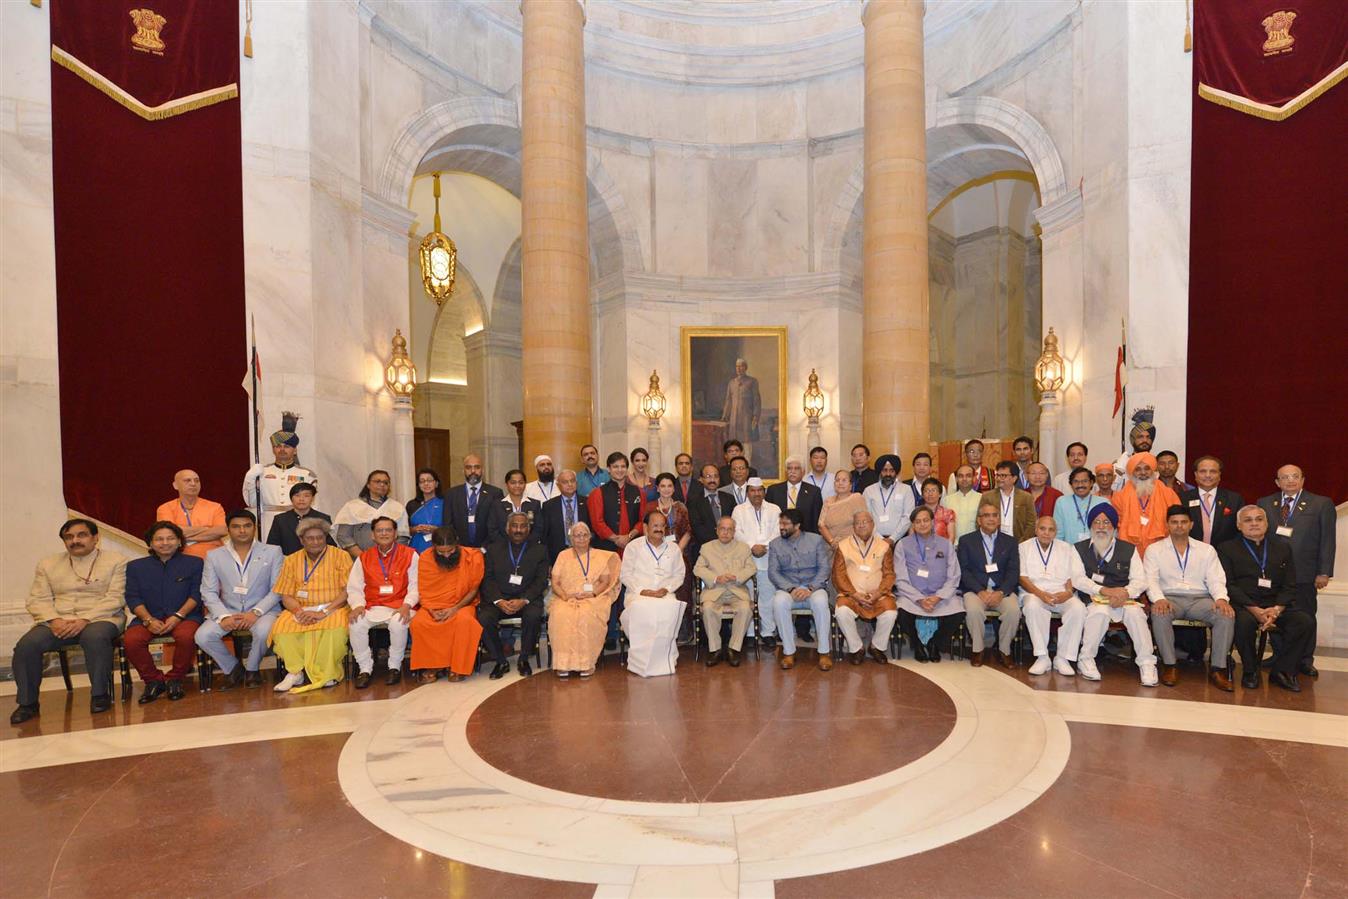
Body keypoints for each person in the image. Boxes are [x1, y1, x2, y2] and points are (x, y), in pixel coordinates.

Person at [10, 519, 127, 723]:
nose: (75, 540)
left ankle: (100, 695)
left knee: (95, 637)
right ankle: (28, 703)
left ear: (95, 538)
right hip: (58, 621)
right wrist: (54, 620)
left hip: (101, 617)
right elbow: (37, 599)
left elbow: (116, 597)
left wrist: (85, 619)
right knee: (26, 646)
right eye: (69, 537)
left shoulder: (116, 561)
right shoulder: (48, 564)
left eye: (81, 535)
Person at [1217, 506, 1312, 692]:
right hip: (1245, 604)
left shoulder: (1282, 548)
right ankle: (1251, 671)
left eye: (1259, 519)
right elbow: (1229, 585)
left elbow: (1289, 584)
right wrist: (1255, 610)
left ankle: (1283, 670)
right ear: (1238, 525)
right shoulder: (1226, 548)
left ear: (1267, 523)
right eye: (1248, 520)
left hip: (1276, 605)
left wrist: (1276, 610)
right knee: (1242, 623)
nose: (1254, 523)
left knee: (1305, 622)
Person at [1145, 505, 1235, 691]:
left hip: (1200, 599)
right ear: (1167, 525)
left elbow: (1216, 579)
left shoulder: (1206, 550)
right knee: (1159, 613)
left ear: (1191, 524)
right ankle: (1170, 665)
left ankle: (1218, 668)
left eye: (1183, 522)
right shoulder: (1154, 550)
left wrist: (1221, 599)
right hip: (1169, 599)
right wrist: (1158, 599)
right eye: (1174, 522)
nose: (1179, 526)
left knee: (1225, 614)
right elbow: (1150, 580)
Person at [1257, 465, 1335, 678]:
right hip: (1273, 573)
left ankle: (1305, 660)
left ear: (1303, 479)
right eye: (1284, 477)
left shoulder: (1321, 503)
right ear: (1277, 482)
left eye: (1294, 477)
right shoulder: (1265, 503)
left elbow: (1328, 540)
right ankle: (1279, 655)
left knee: (1306, 617)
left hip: (1305, 572)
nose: (1290, 480)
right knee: (1276, 614)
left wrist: (1324, 571)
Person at [197, 509, 282, 690]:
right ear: (228, 529)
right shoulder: (214, 555)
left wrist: (255, 612)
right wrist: (223, 616)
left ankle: (252, 670)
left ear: (255, 529)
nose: (242, 530)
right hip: (229, 610)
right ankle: (234, 669)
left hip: (263, 610)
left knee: (263, 631)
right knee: (203, 636)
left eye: (247, 526)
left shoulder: (273, 552)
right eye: (236, 527)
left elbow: (277, 589)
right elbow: (208, 591)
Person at [1072, 505, 1156, 685]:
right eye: (1097, 522)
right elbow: (1078, 579)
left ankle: (1147, 663)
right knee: (1099, 613)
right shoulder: (1078, 549)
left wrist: (1126, 593)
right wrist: (1103, 590)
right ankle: (1086, 659)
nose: (1101, 527)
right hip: (1095, 600)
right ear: (1090, 526)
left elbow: (1140, 580)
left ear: (1114, 527)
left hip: (1124, 601)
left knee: (1137, 615)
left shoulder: (1129, 549)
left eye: (1106, 522)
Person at [121, 522, 204, 703]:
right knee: (132, 640)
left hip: (186, 616)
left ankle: (175, 679)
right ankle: (153, 681)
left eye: (170, 538)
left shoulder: (195, 563)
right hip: (148, 617)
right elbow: (133, 597)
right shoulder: (136, 567)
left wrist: (178, 616)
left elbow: (197, 594)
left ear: (179, 541)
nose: (165, 543)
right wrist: (148, 619)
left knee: (186, 636)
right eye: (159, 539)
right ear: (150, 543)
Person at [269, 517, 353, 694]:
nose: (316, 542)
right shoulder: (291, 560)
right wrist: (299, 612)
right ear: (301, 540)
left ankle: (327, 673)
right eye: (310, 538)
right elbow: (286, 594)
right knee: (282, 628)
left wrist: (324, 612)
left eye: (320, 538)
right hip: (301, 608)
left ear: (325, 538)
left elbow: (347, 591)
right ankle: (295, 672)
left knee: (335, 629)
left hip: (334, 606)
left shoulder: (341, 556)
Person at [345, 516, 418, 688]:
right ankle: (364, 668)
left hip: (402, 605)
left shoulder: (410, 554)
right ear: (373, 535)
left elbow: (417, 585)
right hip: (373, 605)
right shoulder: (364, 558)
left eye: (388, 530)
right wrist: (357, 606)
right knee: (356, 623)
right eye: (379, 530)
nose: (384, 533)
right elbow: (354, 587)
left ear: (395, 533)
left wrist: (407, 605)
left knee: (398, 623)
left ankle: (394, 667)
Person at [479, 512, 549, 679]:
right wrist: (498, 600)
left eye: (523, 526)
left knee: (533, 615)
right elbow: (487, 579)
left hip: (527, 598)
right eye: (515, 526)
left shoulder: (540, 550)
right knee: (484, 618)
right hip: (500, 599)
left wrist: (523, 600)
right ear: (507, 528)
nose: (518, 530)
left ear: (529, 528)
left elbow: (541, 581)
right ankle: (500, 661)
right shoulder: (493, 549)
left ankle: (524, 658)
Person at [410, 527, 484, 683]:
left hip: (462, 604)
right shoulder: (425, 558)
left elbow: (473, 589)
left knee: (464, 621)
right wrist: (431, 610)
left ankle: (457, 667)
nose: (445, 555)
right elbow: (423, 589)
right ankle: (433, 666)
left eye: (449, 551)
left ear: (456, 544)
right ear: (433, 547)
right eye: (440, 552)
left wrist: (454, 609)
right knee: (419, 623)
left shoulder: (473, 556)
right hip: (432, 604)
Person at [619, 512, 688, 677]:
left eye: (662, 526)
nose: (659, 529)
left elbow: (679, 575)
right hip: (638, 594)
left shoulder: (673, 548)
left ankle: (665, 661)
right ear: (645, 527)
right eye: (655, 525)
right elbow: (625, 575)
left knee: (671, 607)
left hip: (665, 594)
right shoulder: (633, 547)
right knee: (642, 610)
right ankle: (641, 663)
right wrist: (643, 591)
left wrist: (666, 589)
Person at [548, 522, 621, 677]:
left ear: (590, 537)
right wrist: (565, 596)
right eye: (577, 535)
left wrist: (593, 594)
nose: (581, 538)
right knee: (560, 614)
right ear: (571, 539)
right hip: (566, 597)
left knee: (586, 614)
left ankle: (586, 663)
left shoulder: (599, 556)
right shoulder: (563, 555)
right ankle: (563, 664)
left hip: (593, 597)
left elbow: (605, 581)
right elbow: (555, 582)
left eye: (584, 534)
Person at [1018, 515, 1088, 676]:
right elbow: (1022, 578)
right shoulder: (1024, 547)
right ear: (1036, 530)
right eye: (1042, 528)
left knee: (1079, 609)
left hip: (1061, 593)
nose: (1046, 533)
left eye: (1051, 529)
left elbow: (1072, 576)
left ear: (1056, 532)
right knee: (1032, 607)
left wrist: (1068, 593)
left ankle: (1062, 658)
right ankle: (1042, 657)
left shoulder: (1066, 548)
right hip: (1035, 592)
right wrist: (1041, 594)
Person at [894, 506, 963, 662]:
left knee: (959, 611)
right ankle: (917, 644)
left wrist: (939, 597)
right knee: (901, 611)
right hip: (912, 597)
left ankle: (935, 644)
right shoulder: (902, 545)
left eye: (926, 520)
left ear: (932, 522)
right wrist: (919, 598)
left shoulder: (945, 544)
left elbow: (954, 575)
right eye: (918, 521)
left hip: (940, 595)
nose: (922, 524)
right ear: (913, 525)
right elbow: (900, 578)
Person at [768, 508, 833, 670]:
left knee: (821, 601)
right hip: (789, 588)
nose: (781, 527)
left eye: (785, 524)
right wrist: (790, 589)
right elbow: (773, 572)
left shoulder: (816, 540)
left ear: (797, 526)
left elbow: (824, 568)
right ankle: (789, 652)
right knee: (778, 602)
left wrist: (810, 588)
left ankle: (824, 653)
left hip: (813, 587)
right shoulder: (775, 544)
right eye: (780, 523)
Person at [958, 503, 1020, 668]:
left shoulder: (1011, 542)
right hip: (975, 589)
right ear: (979, 520)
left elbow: (1013, 571)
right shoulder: (966, 541)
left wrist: (1001, 592)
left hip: (1002, 590)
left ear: (999, 519)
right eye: (986, 515)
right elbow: (963, 571)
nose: (991, 519)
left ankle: (1004, 650)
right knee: (973, 611)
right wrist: (979, 591)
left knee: (1013, 611)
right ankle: (978, 650)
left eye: (994, 515)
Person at [833, 510, 897, 664]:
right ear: (853, 527)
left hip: (878, 594)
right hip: (851, 595)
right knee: (841, 612)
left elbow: (889, 574)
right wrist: (854, 594)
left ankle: (876, 646)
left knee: (890, 612)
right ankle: (856, 648)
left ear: (873, 524)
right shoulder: (843, 545)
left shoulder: (883, 546)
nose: (861, 525)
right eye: (857, 523)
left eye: (865, 522)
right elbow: (838, 575)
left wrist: (879, 593)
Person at [693, 515, 757, 666]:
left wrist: (737, 577)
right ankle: (715, 649)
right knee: (708, 608)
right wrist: (715, 578)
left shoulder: (743, 547)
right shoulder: (707, 547)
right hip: (715, 591)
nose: (725, 533)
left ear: (734, 532)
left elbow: (751, 568)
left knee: (745, 609)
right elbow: (698, 568)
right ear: (717, 530)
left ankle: (733, 649)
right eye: (722, 529)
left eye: (729, 530)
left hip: (737, 591)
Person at [243, 414, 317, 539]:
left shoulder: (307, 475)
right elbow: (251, 502)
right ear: (273, 449)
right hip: (268, 522)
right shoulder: (262, 472)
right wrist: (249, 478)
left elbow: (313, 505)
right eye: (278, 446)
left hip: (297, 521)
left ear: (295, 450)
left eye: (287, 446)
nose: (282, 449)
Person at [732, 478, 781, 645]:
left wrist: (764, 546)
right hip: (746, 560)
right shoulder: (738, 510)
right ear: (747, 493)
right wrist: (753, 546)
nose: (756, 493)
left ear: (764, 492)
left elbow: (778, 531)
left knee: (768, 597)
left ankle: (768, 632)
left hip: (768, 559)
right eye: (752, 490)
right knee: (747, 597)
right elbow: (737, 532)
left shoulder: (775, 509)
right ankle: (751, 633)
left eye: (760, 490)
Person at [1111, 452, 1179, 556]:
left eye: (1147, 468)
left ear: (1153, 470)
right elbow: (1117, 524)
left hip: (1162, 550)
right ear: (1132, 472)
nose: (1143, 473)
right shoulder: (1120, 497)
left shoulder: (1168, 494)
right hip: (1130, 550)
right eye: (1138, 469)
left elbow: (1177, 521)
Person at [334, 470, 409, 557]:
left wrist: (389, 557)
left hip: (390, 560)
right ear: (368, 485)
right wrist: (363, 557)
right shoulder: (352, 506)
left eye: (386, 482)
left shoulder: (397, 507)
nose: (382, 485)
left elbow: (402, 537)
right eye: (377, 481)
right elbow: (343, 536)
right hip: (359, 560)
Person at [156, 469, 227, 559]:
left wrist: (184, 538)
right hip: (180, 559)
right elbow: (170, 533)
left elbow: (222, 531)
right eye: (187, 480)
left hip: (214, 558)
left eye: (196, 480)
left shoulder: (215, 507)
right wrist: (207, 528)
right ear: (175, 485)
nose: (193, 484)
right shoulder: (165, 508)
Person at [445, 454, 504, 549]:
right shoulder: (451, 494)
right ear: (463, 471)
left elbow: (498, 523)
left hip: (487, 549)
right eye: (468, 467)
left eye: (477, 467)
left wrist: (485, 547)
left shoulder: (495, 493)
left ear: (482, 470)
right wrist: (456, 545)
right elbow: (447, 524)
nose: (473, 471)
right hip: (459, 549)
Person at [1181, 455, 1243, 545]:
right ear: (1195, 474)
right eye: (1203, 471)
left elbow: (1240, 530)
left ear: (1219, 475)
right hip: (1190, 553)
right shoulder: (1182, 499)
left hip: (1224, 554)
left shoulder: (1234, 499)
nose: (1208, 475)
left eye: (1213, 471)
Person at [266, 482, 335, 555]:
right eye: (297, 495)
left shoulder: (323, 518)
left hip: (318, 563)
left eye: (306, 496)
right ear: (291, 499)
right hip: (288, 563)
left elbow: (331, 546)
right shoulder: (280, 520)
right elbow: (272, 547)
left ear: (312, 498)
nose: (301, 499)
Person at [537, 469, 591, 564]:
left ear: (576, 483)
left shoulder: (587, 502)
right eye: (565, 482)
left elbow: (592, 529)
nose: (570, 484)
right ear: (558, 485)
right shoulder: (549, 505)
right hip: (557, 554)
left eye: (572, 481)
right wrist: (547, 562)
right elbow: (544, 536)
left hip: (584, 551)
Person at [864, 454, 915, 542]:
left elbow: (908, 516)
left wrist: (892, 538)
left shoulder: (906, 490)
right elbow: (867, 517)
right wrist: (879, 538)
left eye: (891, 471)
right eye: (884, 470)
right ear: (880, 472)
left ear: (896, 472)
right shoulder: (869, 491)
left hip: (900, 540)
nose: (888, 474)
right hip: (874, 540)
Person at [981, 460, 1035, 543]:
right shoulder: (988, 496)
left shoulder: (1026, 497)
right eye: (997, 475)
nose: (999, 479)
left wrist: (1022, 542)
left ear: (1014, 478)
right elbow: (980, 520)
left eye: (1003, 476)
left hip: (1019, 542)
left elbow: (1031, 523)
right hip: (993, 542)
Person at [767, 455, 823, 533]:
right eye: (789, 468)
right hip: (778, 536)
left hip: (804, 537)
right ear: (786, 471)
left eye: (796, 468)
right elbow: (768, 518)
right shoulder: (773, 490)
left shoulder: (814, 492)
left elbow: (816, 520)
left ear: (803, 472)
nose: (792, 471)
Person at [721, 359, 762, 464]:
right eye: (737, 366)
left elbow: (757, 400)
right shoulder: (731, 383)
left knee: (746, 444)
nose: (739, 368)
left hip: (746, 418)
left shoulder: (752, 382)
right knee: (733, 444)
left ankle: (747, 466)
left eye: (741, 366)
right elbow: (728, 401)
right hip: (734, 419)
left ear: (746, 367)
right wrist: (725, 416)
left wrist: (755, 417)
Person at [1054, 467, 1108, 546]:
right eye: (1076, 481)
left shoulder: (1103, 503)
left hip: (1097, 551)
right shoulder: (1061, 502)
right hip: (1069, 551)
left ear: (1092, 483)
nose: (1080, 485)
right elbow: (1058, 534)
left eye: (1085, 481)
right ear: (1071, 484)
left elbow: (1109, 531)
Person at [819, 470, 867, 548]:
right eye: (837, 480)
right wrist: (832, 542)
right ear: (834, 484)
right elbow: (821, 525)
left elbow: (864, 524)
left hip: (853, 546)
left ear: (851, 485)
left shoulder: (856, 498)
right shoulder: (828, 501)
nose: (840, 483)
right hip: (830, 545)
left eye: (844, 480)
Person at [491, 469, 541, 543]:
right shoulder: (497, 505)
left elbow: (538, 528)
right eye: (513, 483)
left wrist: (525, 545)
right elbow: (493, 530)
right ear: (506, 484)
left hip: (529, 548)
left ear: (525, 484)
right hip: (503, 549)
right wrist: (508, 545)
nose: (517, 486)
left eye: (521, 482)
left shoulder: (534, 504)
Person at [406, 468, 445, 553]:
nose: (426, 483)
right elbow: (405, 529)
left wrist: (436, 529)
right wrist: (415, 529)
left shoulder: (445, 503)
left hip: (440, 546)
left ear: (436, 483)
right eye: (422, 481)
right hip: (416, 546)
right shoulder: (412, 505)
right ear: (418, 485)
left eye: (429, 480)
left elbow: (452, 527)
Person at [688, 463, 726, 548]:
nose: (712, 480)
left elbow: (733, 523)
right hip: (705, 547)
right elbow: (697, 527)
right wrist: (717, 542)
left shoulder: (729, 498)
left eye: (716, 476)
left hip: (728, 546)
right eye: (708, 476)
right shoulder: (694, 501)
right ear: (701, 479)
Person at [1112, 407, 1157, 477]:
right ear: (1133, 440)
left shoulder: (1157, 463)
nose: (1145, 440)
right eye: (1140, 437)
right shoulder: (1122, 463)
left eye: (1148, 437)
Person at [942, 464, 983, 541]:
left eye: (968, 476)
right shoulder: (947, 500)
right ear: (956, 479)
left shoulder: (982, 498)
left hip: (975, 545)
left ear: (974, 478)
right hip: (953, 546)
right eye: (960, 476)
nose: (964, 479)